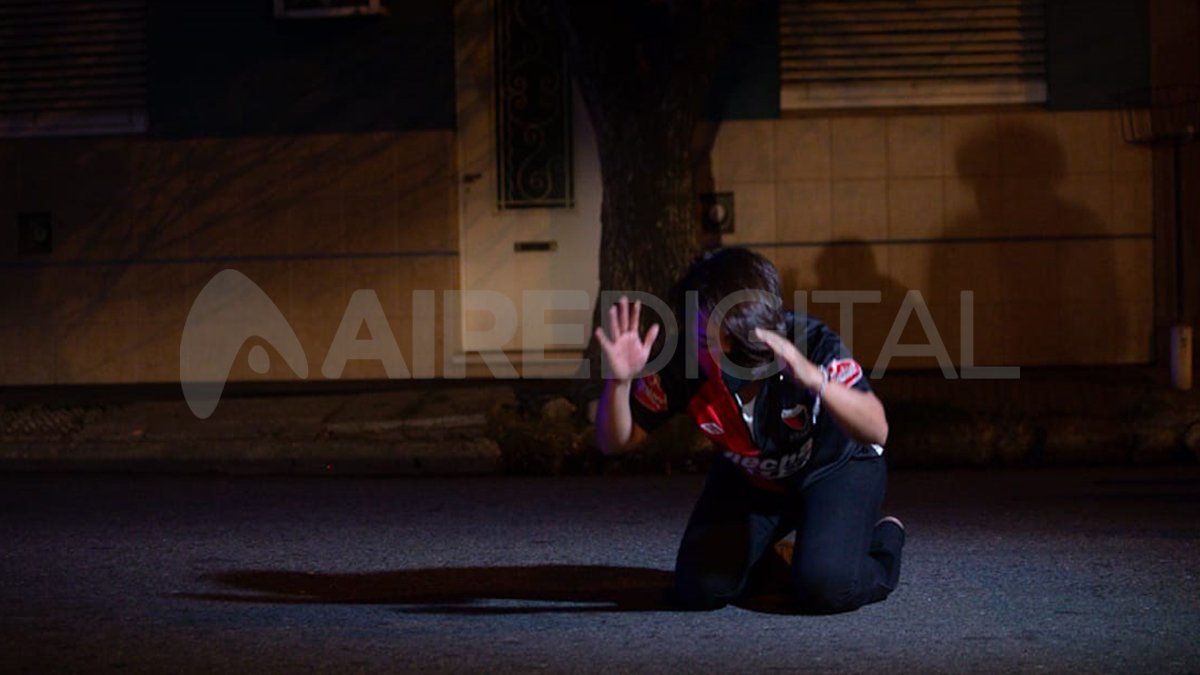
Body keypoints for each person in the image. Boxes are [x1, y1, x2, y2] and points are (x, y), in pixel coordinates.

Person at [594, 247, 904, 613]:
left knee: (824, 586)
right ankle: (793, 548)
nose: (702, 345)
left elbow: (877, 429)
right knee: (701, 590)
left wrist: (815, 380)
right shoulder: (684, 361)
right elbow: (614, 442)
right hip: (753, 476)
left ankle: (882, 538)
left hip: (834, 469)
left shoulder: (808, 341)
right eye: (697, 331)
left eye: (712, 333)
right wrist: (619, 383)